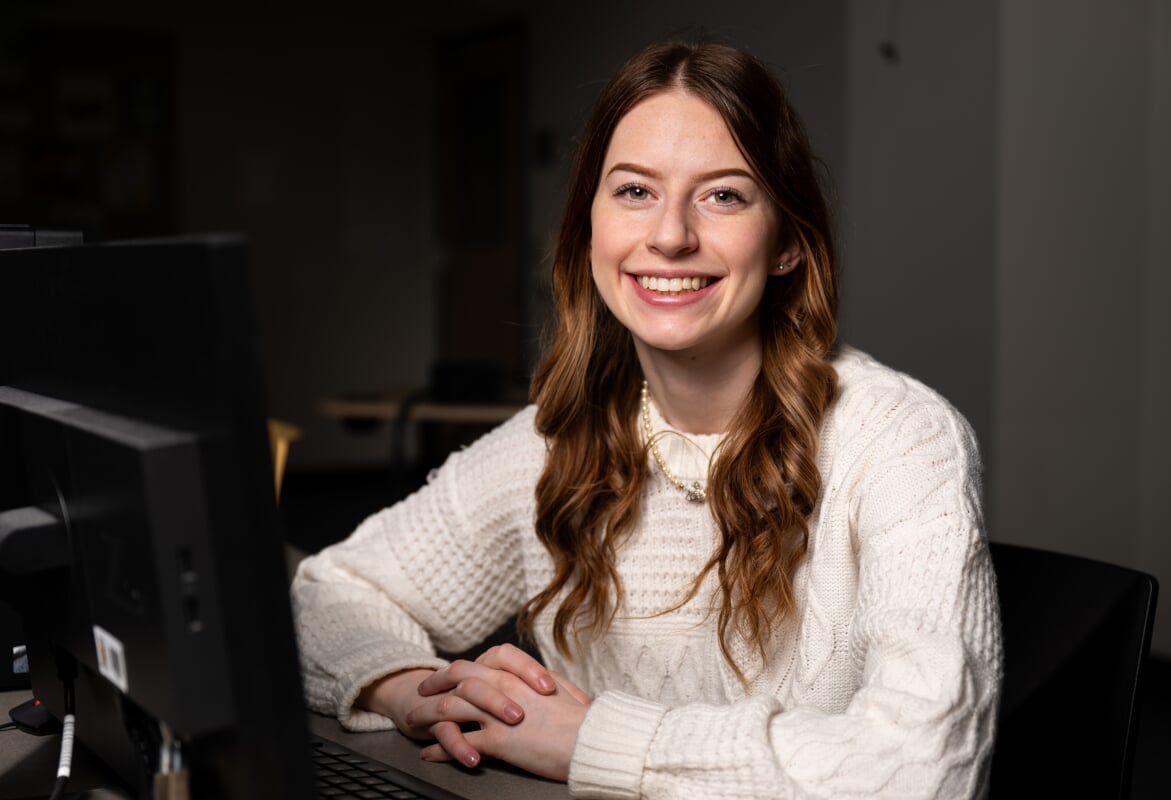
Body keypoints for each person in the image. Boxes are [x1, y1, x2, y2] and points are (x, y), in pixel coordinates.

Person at [292, 39, 1002, 799]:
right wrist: (407, 689)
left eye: (723, 195)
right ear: (589, 227)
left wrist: (592, 741)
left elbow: (928, 768)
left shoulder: (901, 439)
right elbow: (327, 593)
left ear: (790, 241)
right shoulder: (555, 442)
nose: (669, 236)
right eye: (634, 191)